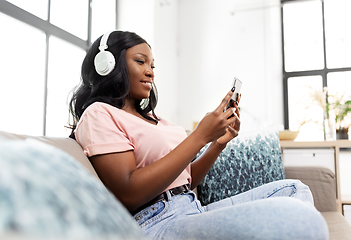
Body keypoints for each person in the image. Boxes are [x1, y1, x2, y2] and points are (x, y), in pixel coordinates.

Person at [68, 30, 329, 240]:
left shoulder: (155, 120)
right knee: (303, 221)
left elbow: (187, 179)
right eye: (140, 61)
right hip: (154, 223)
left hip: (191, 209)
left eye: (152, 65)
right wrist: (199, 137)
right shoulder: (99, 114)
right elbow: (128, 192)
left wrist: (217, 144)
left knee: (294, 189)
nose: (151, 71)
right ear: (107, 65)